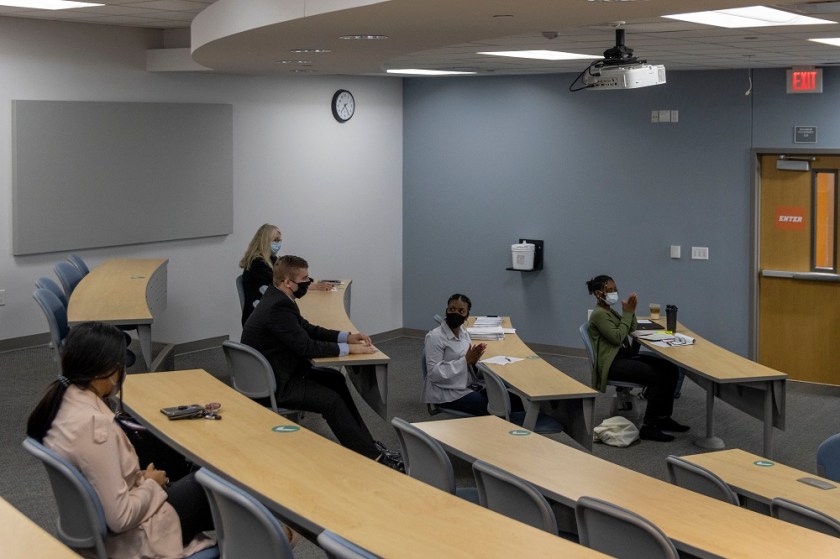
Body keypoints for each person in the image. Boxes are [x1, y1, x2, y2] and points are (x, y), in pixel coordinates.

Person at [26, 322, 216, 559]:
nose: (122, 372)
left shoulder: (64, 400)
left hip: (114, 517)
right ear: (104, 371)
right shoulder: (96, 428)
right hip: (135, 535)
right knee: (215, 486)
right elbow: (120, 518)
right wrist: (151, 484)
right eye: (120, 365)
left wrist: (141, 479)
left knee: (184, 468)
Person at [241, 255, 403, 469]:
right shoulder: (278, 307)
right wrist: (350, 350)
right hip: (277, 383)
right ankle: (373, 459)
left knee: (336, 379)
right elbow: (307, 347)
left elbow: (308, 329)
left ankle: (367, 445)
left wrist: (346, 337)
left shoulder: (277, 297)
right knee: (331, 401)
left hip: (279, 370)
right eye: (304, 279)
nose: (308, 282)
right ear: (288, 282)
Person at [586, 275, 689, 442]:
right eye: (609, 290)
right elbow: (617, 337)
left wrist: (630, 312)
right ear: (598, 294)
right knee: (655, 376)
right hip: (611, 363)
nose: (613, 293)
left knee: (670, 368)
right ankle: (649, 427)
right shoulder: (599, 314)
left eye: (615, 289)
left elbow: (630, 327)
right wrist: (627, 314)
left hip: (622, 356)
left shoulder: (609, 311)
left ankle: (663, 418)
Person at [422, 293, 489, 415]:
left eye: (461, 311)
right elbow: (434, 374)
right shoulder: (435, 337)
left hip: (465, 384)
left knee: (507, 398)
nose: (455, 313)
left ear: (466, 316)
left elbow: (468, 363)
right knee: (489, 405)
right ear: (446, 310)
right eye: (452, 309)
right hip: (444, 392)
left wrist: (473, 363)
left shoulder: (464, 333)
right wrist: (465, 361)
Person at [239, 223, 283, 326]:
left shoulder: (271, 258)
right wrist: (308, 285)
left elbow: (287, 274)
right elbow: (281, 281)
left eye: (279, 240)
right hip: (258, 317)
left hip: (267, 309)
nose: (278, 243)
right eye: (275, 240)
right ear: (265, 241)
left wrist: (307, 281)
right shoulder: (257, 263)